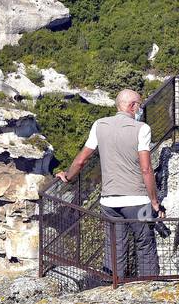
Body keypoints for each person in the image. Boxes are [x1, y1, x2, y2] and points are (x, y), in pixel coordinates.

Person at [56, 89, 165, 279]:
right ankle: (149, 284)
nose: (140, 108)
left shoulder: (100, 125)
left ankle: (112, 285)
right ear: (133, 106)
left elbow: (81, 160)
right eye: (139, 104)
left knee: (114, 246)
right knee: (145, 243)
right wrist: (154, 202)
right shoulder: (142, 129)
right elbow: (146, 169)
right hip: (138, 201)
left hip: (108, 202)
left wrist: (68, 176)